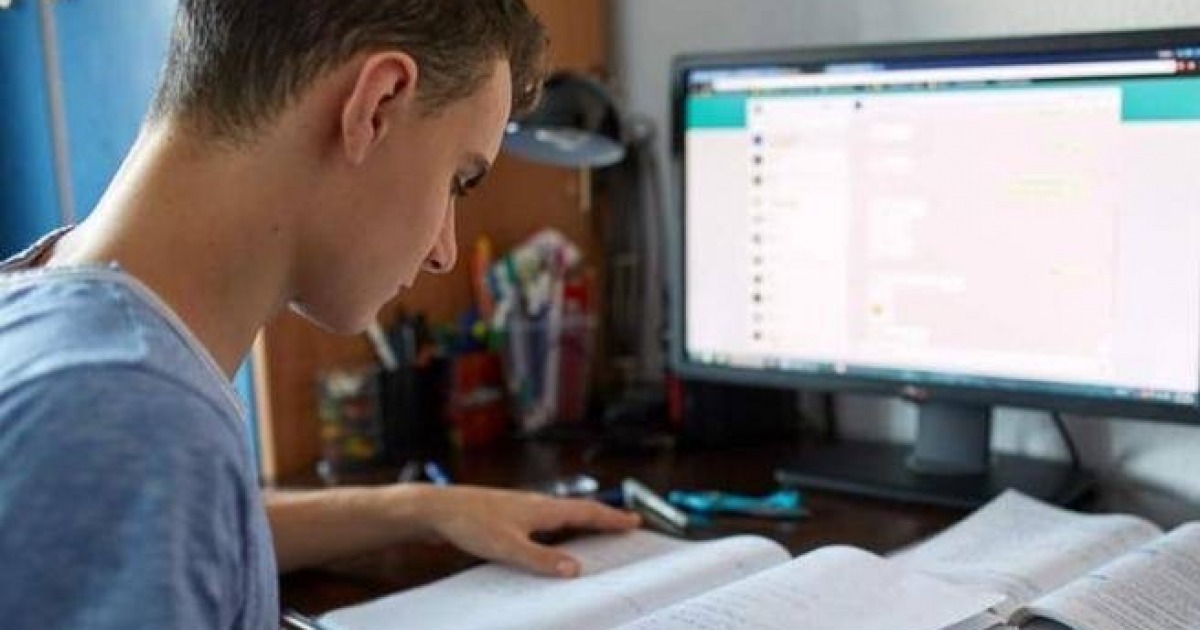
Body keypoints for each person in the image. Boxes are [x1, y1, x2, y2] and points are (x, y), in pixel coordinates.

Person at [0, 0, 640, 627]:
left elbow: (168, 526)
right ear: (377, 104)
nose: (444, 251)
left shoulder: (49, 315)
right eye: (457, 180)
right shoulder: (130, 419)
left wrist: (421, 507)